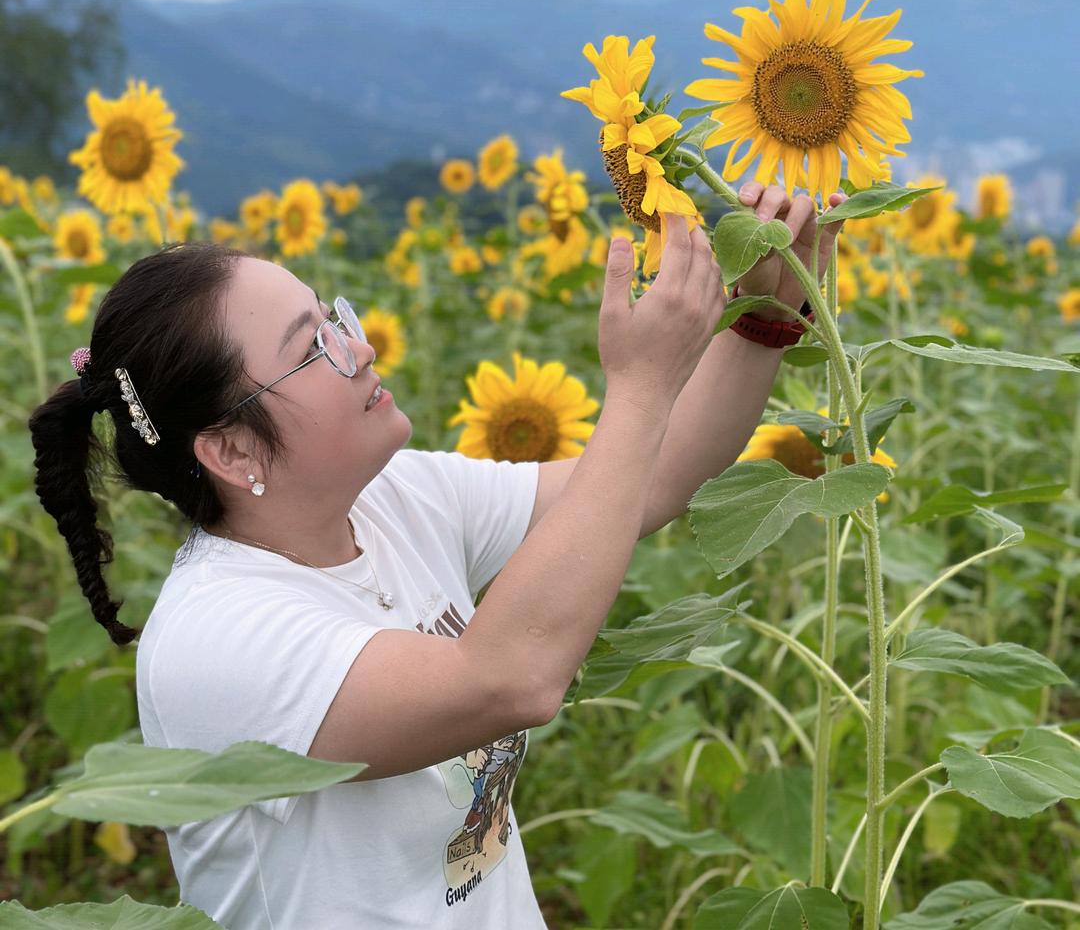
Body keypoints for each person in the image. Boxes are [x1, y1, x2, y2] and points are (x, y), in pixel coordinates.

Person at [27, 188, 843, 928]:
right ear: (234, 450)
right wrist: (638, 388)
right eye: (316, 348)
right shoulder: (218, 639)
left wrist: (764, 316)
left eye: (334, 317)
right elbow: (509, 679)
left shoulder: (393, 499)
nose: (362, 349)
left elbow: (650, 481)